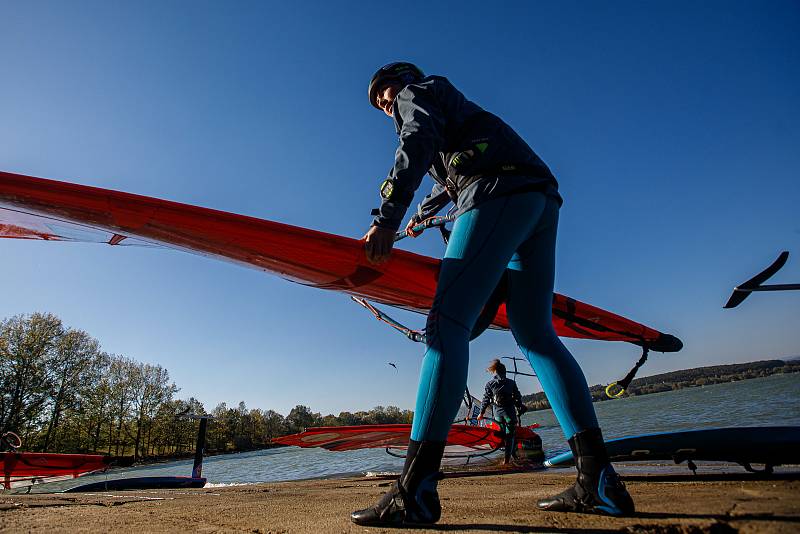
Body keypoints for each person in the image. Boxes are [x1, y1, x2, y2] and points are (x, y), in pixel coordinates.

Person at [353, 62, 634, 526]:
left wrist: (385, 216)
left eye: (387, 93)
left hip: (495, 195)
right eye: (381, 104)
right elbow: (450, 174)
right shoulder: (457, 113)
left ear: (404, 80)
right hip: (538, 201)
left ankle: (415, 492)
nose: (387, 104)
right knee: (536, 334)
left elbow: (416, 142)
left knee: (446, 329)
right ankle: (597, 481)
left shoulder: (418, 92)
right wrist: (420, 215)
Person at [477, 359, 527, 465]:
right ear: (505, 372)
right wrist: (520, 407)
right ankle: (508, 460)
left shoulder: (489, 384)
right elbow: (517, 397)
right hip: (509, 413)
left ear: (495, 372)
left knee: (504, 435)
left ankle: (511, 457)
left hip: (497, 414)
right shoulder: (511, 383)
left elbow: (486, 399)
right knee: (510, 436)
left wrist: (481, 413)